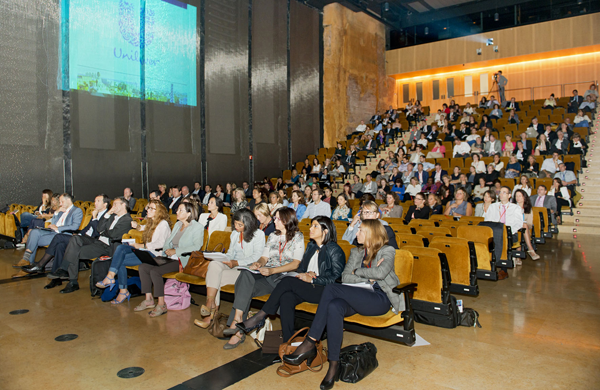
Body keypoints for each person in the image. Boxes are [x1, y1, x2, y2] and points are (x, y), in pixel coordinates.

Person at [281, 219, 403, 390]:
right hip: (356, 295)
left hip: (378, 298)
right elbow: (346, 277)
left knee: (331, 289)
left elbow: (381, 273)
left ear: (371, 233)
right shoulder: (356, 252)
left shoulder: (387, 250)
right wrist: (368, 276)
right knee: (334, 306)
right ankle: (333, 365)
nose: (356, 233)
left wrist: (358, 272)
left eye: (360, 230)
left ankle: (310, 342)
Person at [235, 216, 344, 346]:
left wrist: (314, 278)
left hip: (324, 290)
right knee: (286, 297)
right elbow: (301, 268)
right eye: (311, 225)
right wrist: (304, 274)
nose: (310, 228)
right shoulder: (311, 246)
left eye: (315, 226)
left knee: (287, 280)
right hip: (308, 286)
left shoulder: (334, 250)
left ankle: (260, 316)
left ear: (325, 231)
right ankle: (287, 344)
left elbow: (336, 278)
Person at [222, 208, 304, 349]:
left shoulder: (297, 237)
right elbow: (264, 257)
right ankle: (238, 319)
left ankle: (238, 330)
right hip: (268, 275)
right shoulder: (272, 235)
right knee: (245, 275)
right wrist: (259, 263)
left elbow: (295, 264)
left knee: (244, 288)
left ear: (286, 220)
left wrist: (272, 270)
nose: (274, 221)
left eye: (278, 219)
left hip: (283, 278)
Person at [194, 209, 265, 328]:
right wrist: (224, 258)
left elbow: (256, 257)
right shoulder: (234, 234)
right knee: (214, 265)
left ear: (249, 223)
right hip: (234, 265)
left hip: (246, 271)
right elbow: (231, 253)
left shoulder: (259, 235)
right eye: (235, 223)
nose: (236, 227)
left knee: (215, 277)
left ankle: (210, 315)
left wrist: (236, 262)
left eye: (240, 225)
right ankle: (210, 302)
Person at [47, 197, 133, 293]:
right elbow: (99, 229)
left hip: (107, 247)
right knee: (75, 239)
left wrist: (104, 232)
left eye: (116, 204)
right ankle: (66, 273)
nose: (113, 207)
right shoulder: (112, 216)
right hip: (97, 242)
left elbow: (112, 234)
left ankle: (71, 280)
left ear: (123, 205)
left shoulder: (127, 219)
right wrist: (108, 214)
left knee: (73, 252)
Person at [20, 194, 110, 287]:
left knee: (59, 237)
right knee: (60, 246)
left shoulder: (107, 216)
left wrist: (94, 218)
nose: (95, 203)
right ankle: (56, 278)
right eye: (95, 201)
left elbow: (98, 231)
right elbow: (87, 228)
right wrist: (79, 234)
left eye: (98, 201)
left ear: (105, 204)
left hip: (93, 241)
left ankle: (41, 264)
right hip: (83, 238)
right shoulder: (96, 213)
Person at [131, 202, 203, 317]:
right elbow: (167, 242)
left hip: (183, 260)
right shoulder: (178, 225)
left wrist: (176, 251)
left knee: (155, 271)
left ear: (189, 213)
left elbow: (196, 246)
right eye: (177, 210)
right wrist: (166, 252)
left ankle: (161, 304)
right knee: (143, 267)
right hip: (170, 257)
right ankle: (148, 299)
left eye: (180, 210)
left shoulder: (197, 227)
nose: (176, 212)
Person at [95, 200, 172, 304]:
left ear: (158, 211)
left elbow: (160, 244)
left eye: (151, 208)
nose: (147, 210)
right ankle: (120, 288)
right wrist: (138, 226)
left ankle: (112, 280)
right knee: (121, 250)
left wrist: (141, 245)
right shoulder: (151, 222)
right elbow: (144, 229)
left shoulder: (163, 224)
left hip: (155, 255)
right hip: (147, 251)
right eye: (148, 208)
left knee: (120, 256)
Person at [13, 193, 83, 269]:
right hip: (53, 232)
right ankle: (27, 260)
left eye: (61, 202)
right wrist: (56, 212)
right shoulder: (61, 210)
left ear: (68, 200)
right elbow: (54, 223)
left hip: (62, 234)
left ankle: (28, 262)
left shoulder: (76, 210)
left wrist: (58, 228)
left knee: (33, 240)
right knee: (34, 232)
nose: (60, 204)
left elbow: (75, 226)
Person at [484, 186, 523, 280]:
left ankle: (503, 269)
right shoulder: (493, 206)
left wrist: (507, 232)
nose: (501, 194)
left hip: (510, 234)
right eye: (500, 192)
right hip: (494, 232)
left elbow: (518, 223)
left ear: (509, 195)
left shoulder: (515, 208)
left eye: (504, 192)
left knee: (503, 239)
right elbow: (487, 220)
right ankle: (487, 265)